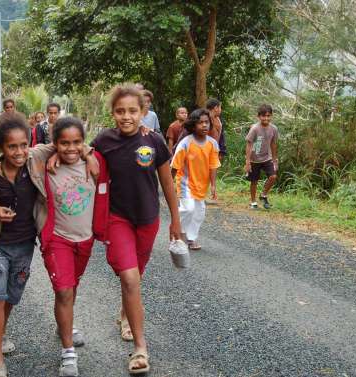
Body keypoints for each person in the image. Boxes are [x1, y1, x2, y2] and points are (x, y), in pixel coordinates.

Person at [0, 113, 97, 377]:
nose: (19, 151)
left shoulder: (34, 158)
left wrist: (89, 153)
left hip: (25, 245)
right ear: (1, 147)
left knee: (11, 296)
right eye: (12, 147)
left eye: (24, 145)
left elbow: (70, 143)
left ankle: (1, 335)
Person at [90, 84, 181, 375]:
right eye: (120, 111)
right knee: (130, 278)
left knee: (135, 276)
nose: (126, 117)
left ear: (143, 112)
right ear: (112, 113)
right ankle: (141, 349)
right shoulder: (104, 140)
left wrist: (175, 221)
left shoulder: (153, 141)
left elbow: (167, 183)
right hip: (117, 219)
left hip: (148, 220)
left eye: (132, 111)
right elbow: (79, 153)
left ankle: (125, 313)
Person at [37, 117, 106, 377]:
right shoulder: (46, 166)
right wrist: (52, 152)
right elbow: (28, 150)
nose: (70, 148)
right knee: (64, 290)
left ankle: (64, 325)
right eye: (63, 143)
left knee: (72, 287)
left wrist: (87, 152)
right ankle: (68, 353)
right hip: (57, 239)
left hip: (84, 239)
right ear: (55, 143)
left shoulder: (96, 164)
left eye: (77, 142)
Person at [171, 109, 220, 250]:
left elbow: (213, 165)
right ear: (193, 126)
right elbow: (174, 166)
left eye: (206, 122)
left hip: (201, 185)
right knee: (188, 209)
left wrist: (213, 186)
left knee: (199, 213)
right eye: (200, 123)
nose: (204, 125)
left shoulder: (212, 144)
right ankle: (178, 231)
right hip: (185, 183)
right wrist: (169, 187)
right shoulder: (185, 143)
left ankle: (191, 238)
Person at [245, 104, 279, 209]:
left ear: (271, 116)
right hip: (254, 160)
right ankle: (253, 202)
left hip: (267, 158)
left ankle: (263, 194)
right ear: (259, 117)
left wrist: (274, 160)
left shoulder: (274, 129)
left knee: (273, 176)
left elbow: (273, 144)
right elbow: (249, 144)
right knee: (254, 181)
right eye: (264, 116)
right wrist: (247, 162)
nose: (266, 118)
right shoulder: (255, 128)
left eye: (268, 116)